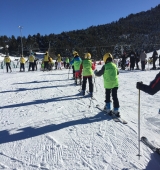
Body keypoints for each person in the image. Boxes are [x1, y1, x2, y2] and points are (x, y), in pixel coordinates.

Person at [94, 53, 120, 117]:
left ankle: (108, 108)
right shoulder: (114, 65)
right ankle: (116, 109)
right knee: (115, 96)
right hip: (115, 83)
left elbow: (99, 74)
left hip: (108, 84)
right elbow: (118, 73)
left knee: (108, 95)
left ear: (105, 59)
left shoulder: (105, 66)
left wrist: (95, 72)